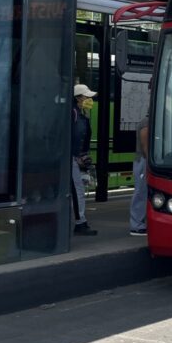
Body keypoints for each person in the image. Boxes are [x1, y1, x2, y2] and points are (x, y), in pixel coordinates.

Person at [71, 83, 98, 235]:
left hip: (76, 157)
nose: (90, 100)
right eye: (87, 97)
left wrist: (84, 154)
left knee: (78, 189)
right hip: (72, 158)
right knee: (77, 189)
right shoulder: (73, 113)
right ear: (79, 97)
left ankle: (81, 221)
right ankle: (80, 222)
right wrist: (77, 155)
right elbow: (71, 136)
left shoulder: (81, 114)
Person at [129, 114, 149, 237]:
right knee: (141, 192)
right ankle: (136, 226)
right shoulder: (147, 122)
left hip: (144, 160)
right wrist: (149, 163)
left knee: (142, 192)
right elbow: (145, 146)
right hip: (144, 160)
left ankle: (139, 223)